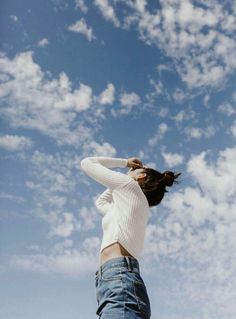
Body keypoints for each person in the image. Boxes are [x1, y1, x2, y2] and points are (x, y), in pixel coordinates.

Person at [80, 156, 181, 319]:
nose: (129, 171)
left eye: (135, 170)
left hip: (119, 278)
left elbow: (87, 163)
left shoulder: (130, 186)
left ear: (141, 176)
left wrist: (125, 163)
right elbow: (101, 202)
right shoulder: (129, 203)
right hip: (116, 279)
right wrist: (129, 175)